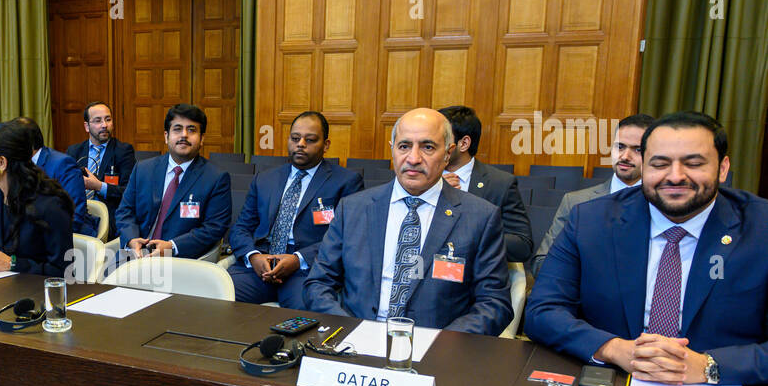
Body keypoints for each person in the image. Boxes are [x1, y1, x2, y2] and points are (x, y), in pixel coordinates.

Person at [525, 111, 768, 386]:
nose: (675, 176)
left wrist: (710, 366)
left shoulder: (761, 229)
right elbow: (541, 311)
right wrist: (615, 348)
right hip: (612, 381)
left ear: (723, 169)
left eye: (694, 163)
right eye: (660, 164)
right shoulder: (590, 220)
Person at [302, 107, 512, 334]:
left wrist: (441, 342)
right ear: (392, 150)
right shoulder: (353, 209)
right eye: (404, 146)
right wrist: (350, 330)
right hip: (356, 343)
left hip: (437, 351)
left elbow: (494, 304)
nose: (413, 158)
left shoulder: (480, 217)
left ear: (448, 153)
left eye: (428, 147)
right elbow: (318, 284)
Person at [227, 111, 363, 308]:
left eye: (310, 140)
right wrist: (253, 256)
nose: (301, 144)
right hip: (260, 266)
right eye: (295, 138)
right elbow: (240, 228)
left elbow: (346, 237)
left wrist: (298, 260)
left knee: (304, 318)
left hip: (307, 271)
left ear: (326, 145)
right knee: (216, 295)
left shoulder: (346, 182)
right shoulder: (265, 179)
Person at [528, 113, 654, 279]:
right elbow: (542, 263)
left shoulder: (661, 206)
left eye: (637, 149)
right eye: (620, 147)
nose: (624, 156)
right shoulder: (576, 202)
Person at [114, 103, 232, 259]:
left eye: (191, 130)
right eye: (177, 129)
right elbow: (125, 211)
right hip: (135, 254)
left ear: (202, 138)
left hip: (180, 261)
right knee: (96, 280)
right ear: (166, 136)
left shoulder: (216, 178)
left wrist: (172, 246)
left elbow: (214, 227)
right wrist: (131, 239)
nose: (184, 135)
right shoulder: (143, 169)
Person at [0, 120, 75, 277]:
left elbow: (62, 271)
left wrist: (12, 264)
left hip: (36, 293)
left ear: (2, 162)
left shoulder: (51, 205)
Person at [437, 105, 533, 263]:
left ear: (464, 143)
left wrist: (470, 236)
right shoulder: (421, 178)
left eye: (440, 138)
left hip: (474, 278)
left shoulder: (500, 183)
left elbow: (521, 246)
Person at [65, 101, 136, 228]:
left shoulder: (123, 151)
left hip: (109, 219)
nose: (104, 125)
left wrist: (99, 186)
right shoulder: (74, 151)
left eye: (108, 119)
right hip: (78, 216)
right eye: (98, 121)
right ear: (87, 126)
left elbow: (129, 192)